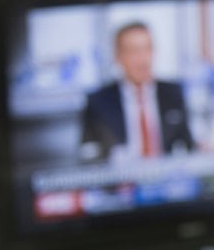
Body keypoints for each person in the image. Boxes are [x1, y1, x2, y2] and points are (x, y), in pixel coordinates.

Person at [80, 21, 195, 162]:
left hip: (167, 179)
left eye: (148, 49)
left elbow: (189, 146)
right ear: (118, 56)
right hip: (120, 181)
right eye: (134, 51)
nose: (143, 59)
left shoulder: (172, 93)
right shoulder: (98, 101)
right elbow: (88, 156)